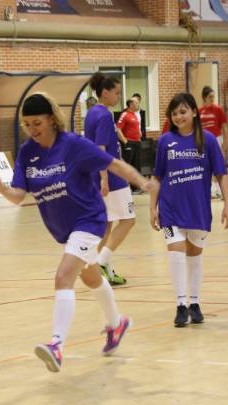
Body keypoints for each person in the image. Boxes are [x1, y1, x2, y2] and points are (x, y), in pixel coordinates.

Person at [0, 93, 156, 372]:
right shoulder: (27, 153)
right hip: (65, 230)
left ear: (52, 119)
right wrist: (0, 187)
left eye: (37, 123)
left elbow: (112, 163)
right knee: (91, 277)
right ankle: (117, 324)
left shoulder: (73, 145)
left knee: (63, 277)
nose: (32, 129)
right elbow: (18, 196)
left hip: (89, 221)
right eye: (27, 124)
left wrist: (143, 183)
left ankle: (57, 345)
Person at [150, 92, 228, 327]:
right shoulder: (165, 141)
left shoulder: (208, 140)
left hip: (198, 208)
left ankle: (194, 302)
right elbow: (157, 176)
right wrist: (152, 207)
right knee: (176, 253)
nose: (179, 117)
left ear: (194, 112)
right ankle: (180, 305)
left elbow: (221, 174)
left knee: (194, 255)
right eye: (174, 113)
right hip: (170, 209)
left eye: (183, 111)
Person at [85, 72, 136, 286]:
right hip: (111, 176)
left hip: (98, 175)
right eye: (116, 93)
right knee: (128, 220)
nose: (118, 97)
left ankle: (99, 268)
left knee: (106, 224)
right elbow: (101, 149)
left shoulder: (91, 112)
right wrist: (105, 179)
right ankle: (102, 261)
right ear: (104, 93)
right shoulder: (105, 115)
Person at [199, 85, 228, 198]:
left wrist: (225, 143)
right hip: (203, 141)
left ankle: (222, 191)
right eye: (210, 97)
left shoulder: (218, 110)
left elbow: (225, 127)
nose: (212, 99)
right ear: (204, 97)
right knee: (207, 166)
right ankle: (212, 190)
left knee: (219, 166)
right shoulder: (199, 111)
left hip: (217, 140)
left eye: (213, 96)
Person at [117, 98, 142, 174]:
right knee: (128, 167)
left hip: (137, 143)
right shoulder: (124, 114)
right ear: (131, 104)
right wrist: (125, 142)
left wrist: (139, 134)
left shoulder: (134, 115)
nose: (139, 105)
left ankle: (136, 182)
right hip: (129, 143)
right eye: (137, 103)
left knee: (137, 167)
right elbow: (118, 129)